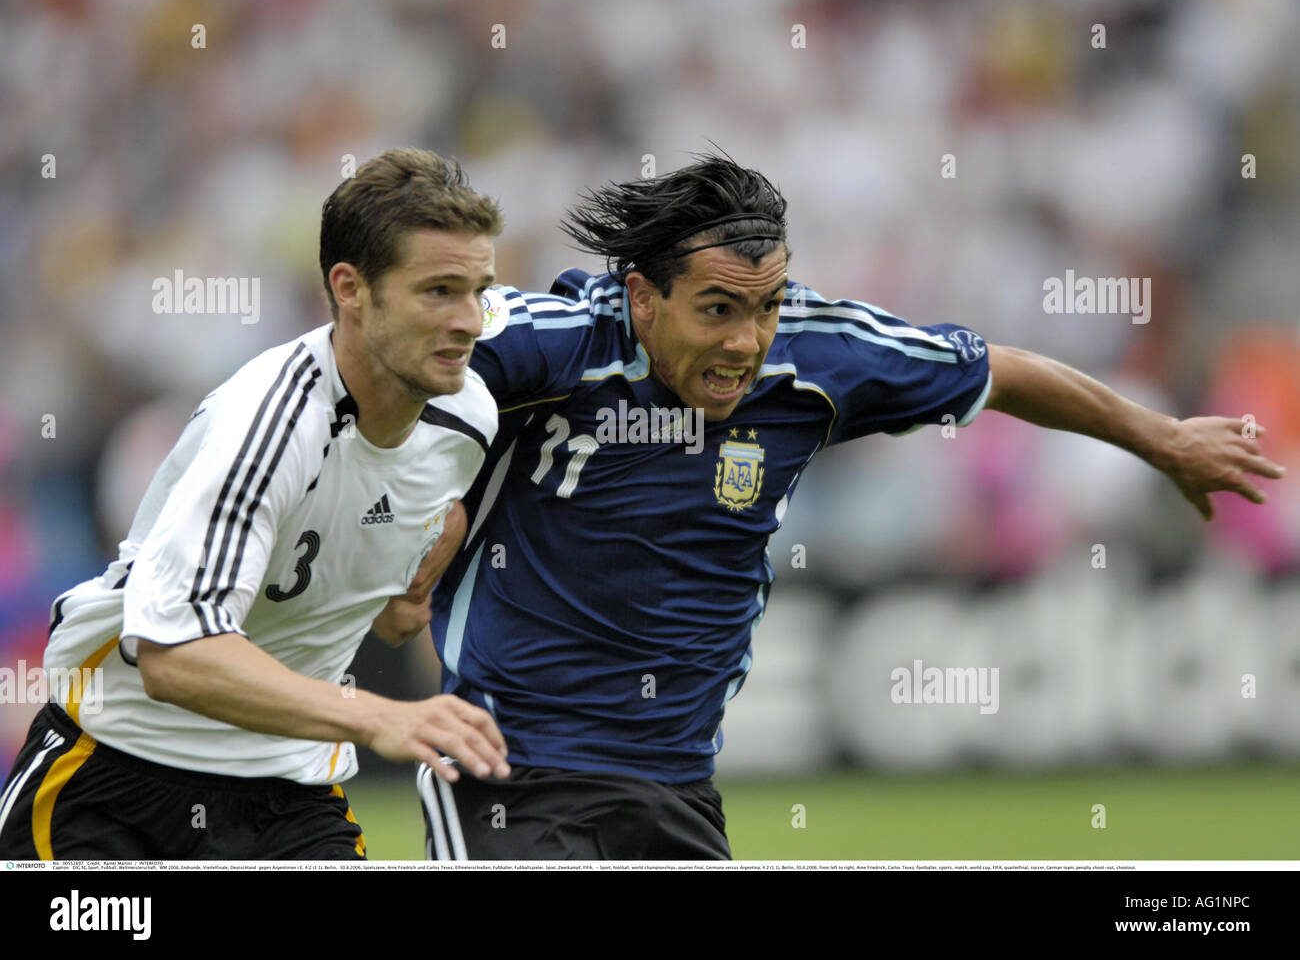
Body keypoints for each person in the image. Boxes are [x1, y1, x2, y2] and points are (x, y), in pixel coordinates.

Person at [388, 153, 1285, 860]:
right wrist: (427, 507)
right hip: (508, 771)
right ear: (642, 297)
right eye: (717, 310)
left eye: (766, 306)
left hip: (675, 785)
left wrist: (1161, 440)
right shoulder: (545, 345)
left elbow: (999, 371)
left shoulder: (819, 358)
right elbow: (386, 370)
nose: (746, 341)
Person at [0, 148, 511, 861]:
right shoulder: (268, 423)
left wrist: (410, 580)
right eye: (438, 291)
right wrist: (375, 716)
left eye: (478, 291)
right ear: (351, 289)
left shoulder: (469, 418)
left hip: (290, 794)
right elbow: (175, 656)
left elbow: (437, 512)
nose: (469, 320)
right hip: (116, 778)